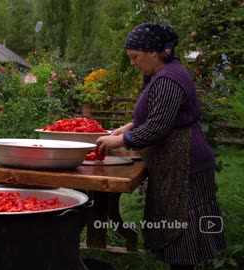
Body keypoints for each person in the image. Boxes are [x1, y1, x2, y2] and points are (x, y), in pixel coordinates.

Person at [96, 23, 226, 270]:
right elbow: (155, 113)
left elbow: (158, 127)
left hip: (185, 162)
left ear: (153, 51)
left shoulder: (169, 79)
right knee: (175, 223)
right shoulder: (158, 75)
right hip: (173, 160)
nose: (133, 63)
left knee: (183, 226)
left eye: (135, 57)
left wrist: (120, 140)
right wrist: (129, 126)